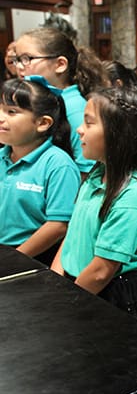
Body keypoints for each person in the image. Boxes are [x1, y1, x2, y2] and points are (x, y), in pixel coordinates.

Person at [50, 86, 137, 335]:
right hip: (78, 288)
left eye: (89, 123)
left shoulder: (133, 194)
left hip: (113, 297)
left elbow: (102, 271)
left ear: (118, 134)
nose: (80, 129)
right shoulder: (97, 173)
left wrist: (66, 303)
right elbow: (73, 235)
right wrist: (55, 281)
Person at [0, 77, 80, 265]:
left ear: (43, 123)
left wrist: (14, 258)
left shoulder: (58, 164)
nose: (1, 117)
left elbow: (59, 225)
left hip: (36, 258)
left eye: (12, 112)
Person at [14, 27, 109, 176]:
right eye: (17, 60)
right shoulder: (39, 102)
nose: (19, 66)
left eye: (27, 59)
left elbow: (88, 169)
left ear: (60, 64)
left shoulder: (75, 108)